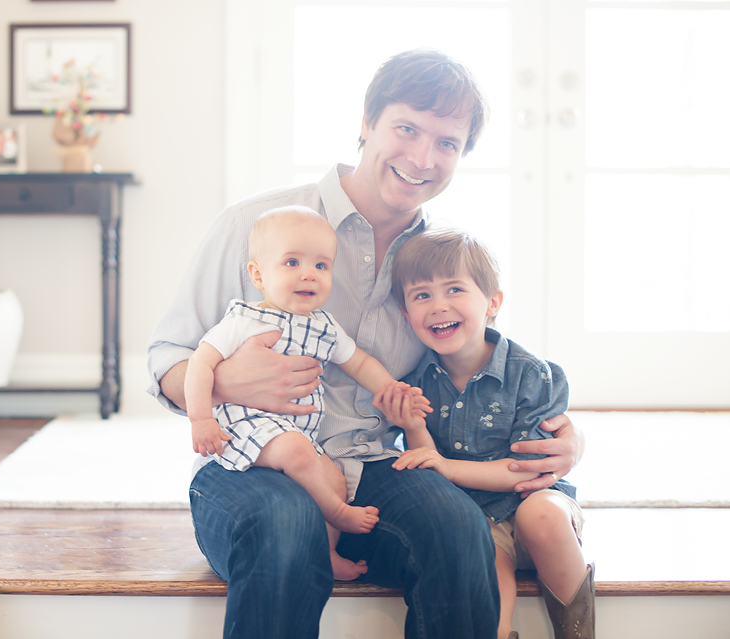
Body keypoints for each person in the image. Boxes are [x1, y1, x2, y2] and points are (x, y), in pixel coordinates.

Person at [148, 48, 583, 639]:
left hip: (373, 463)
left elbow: (482, 366)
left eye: (447, 143)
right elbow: (165, 358)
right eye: (407, 129)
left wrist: (563, 436)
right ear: (365, 123)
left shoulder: (434, 264)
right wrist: (223, 381)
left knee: (459, 531)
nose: (423, 157)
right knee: (286, 521)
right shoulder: (257, 227)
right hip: (254, 464)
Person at [186, 205, 430, 581]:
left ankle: (327, 550)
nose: (308, 274)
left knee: (333, 477)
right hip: (247, 428)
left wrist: (390, 387)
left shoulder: (324, 327)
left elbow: (359, 362)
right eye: (291, 262)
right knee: (299, 453)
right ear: (258, 275)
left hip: (297, 434)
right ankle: (338, 514)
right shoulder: (244, 320)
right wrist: (201, 419)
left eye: (321, 266)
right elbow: (200, 365)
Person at [383, 226, 594, 639]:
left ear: (492, 302)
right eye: (422, 295)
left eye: (454, 290)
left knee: (541, 516)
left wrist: (446, 467)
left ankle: (577, 633)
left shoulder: (531, 374)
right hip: (478, 520)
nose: (438, 305)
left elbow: (526, 472)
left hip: (536, 502)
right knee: (482, 569)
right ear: (407, 316)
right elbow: (426, 462)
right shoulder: (416, 381)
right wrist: (412, 426)